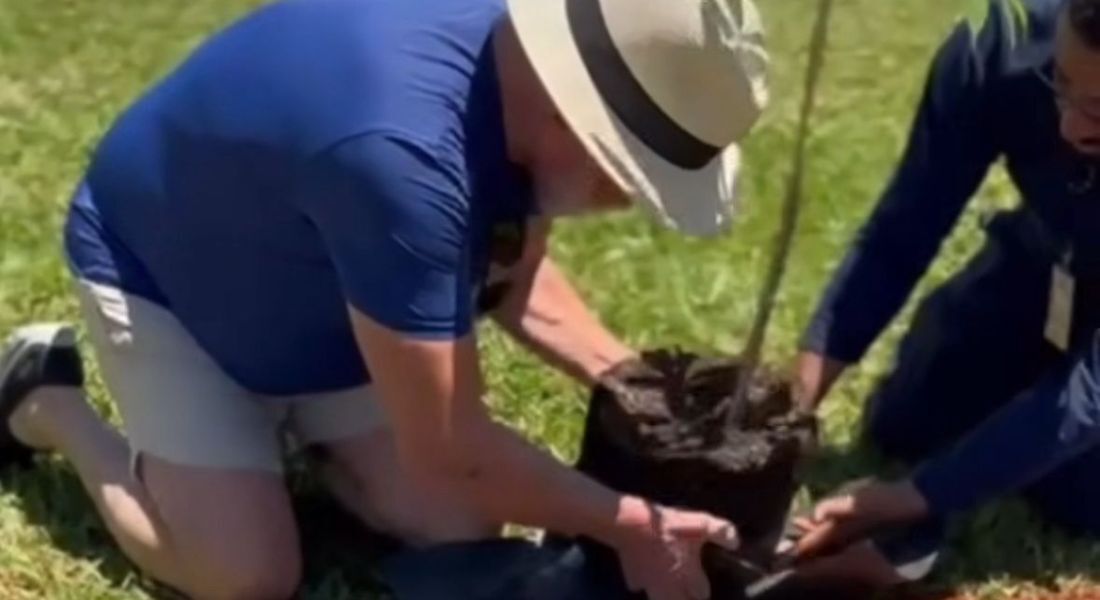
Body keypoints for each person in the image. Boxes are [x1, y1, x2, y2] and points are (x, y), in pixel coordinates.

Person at [0, 0, 769, 598]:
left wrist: (638, 387)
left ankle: (293, 439)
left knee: (458, 525)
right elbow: (452, 449)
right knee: (245, 576)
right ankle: (46, 401)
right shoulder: (403, 159)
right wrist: (635, 524)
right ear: (574, 110)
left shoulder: (516, 74)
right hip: (165, 278)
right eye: (625, 174)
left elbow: (515, 282)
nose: (624, 199)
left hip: (325, 291)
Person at [792, 0, 1100, 585]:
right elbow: (902, 230)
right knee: (910, 420)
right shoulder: (1001, 43)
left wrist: (917, 498)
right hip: (1043, 261)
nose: (1069, 126)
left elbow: (1090, 394)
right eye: (1059, 83)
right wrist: (794, 405)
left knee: (1076, 499)